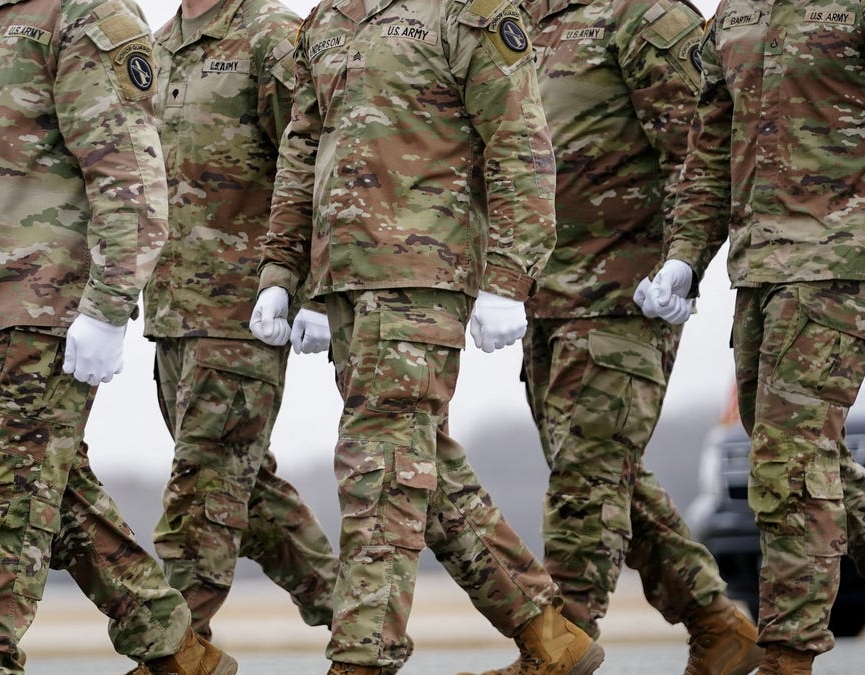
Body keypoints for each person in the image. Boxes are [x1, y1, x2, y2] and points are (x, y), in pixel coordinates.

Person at [0, 0, 235, 672]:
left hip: (48, 304)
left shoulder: (84, 17)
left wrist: (109, 304)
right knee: (54, 493)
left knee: (2, 500)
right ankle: (177, 650)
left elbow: (128, 175)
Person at [252, 0, 605, 673]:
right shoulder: (326, 22)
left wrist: (510, 277)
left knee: (379, 467)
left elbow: (520, 144)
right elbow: (304, 148)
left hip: (422, 272)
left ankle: (362, 658)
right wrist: (283, 270)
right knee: (423, 467)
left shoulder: (465, 12)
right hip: (344, 282)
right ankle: (549, 634)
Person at [637, 0, 865, 669]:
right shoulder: (737, 12)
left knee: (790, 462)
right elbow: (711, 143)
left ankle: (788, 653)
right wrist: (686, 255)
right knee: (803, 453)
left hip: (846, 261)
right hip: (761, 267)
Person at [501, 0, 762, 673]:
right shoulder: (520, 24)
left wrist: (680, 263)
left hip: (623, 297)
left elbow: (701, 152)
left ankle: (561, 646)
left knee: (585, 485)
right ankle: (715, 621)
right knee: (607, 477)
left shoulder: (643, 15)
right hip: (547, 300)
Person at [147, 0, 338, 642]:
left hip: (244, 311)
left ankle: (175, 651)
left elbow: (314, 166)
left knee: (201, 495)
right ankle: (355, 615)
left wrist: (308, 289)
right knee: (244, 489)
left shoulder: (274, 37)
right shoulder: (158, 44)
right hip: (171, 310)